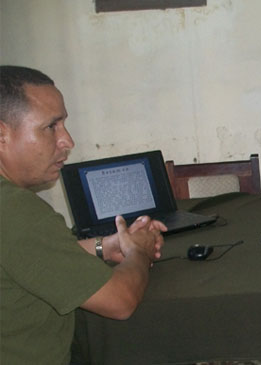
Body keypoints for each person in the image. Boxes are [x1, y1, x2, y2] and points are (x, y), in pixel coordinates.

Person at [0, 65, 167, 364]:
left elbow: (26, 260)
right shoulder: (16, 210)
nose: (68, 141)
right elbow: (120, 301)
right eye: (51, 126)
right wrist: (138, 252)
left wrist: (106, 246)